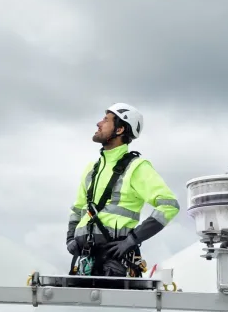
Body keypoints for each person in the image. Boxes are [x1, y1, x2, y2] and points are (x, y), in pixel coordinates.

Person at [65, 102, 180, 278]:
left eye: (106, 120)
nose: (98, 123)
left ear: (119, 130)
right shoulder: (91, 169)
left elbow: (169, 205)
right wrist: (70, 238)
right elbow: (78, 209)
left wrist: (132, 240)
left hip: (116, 263)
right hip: (84, 262)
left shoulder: (137, 167)